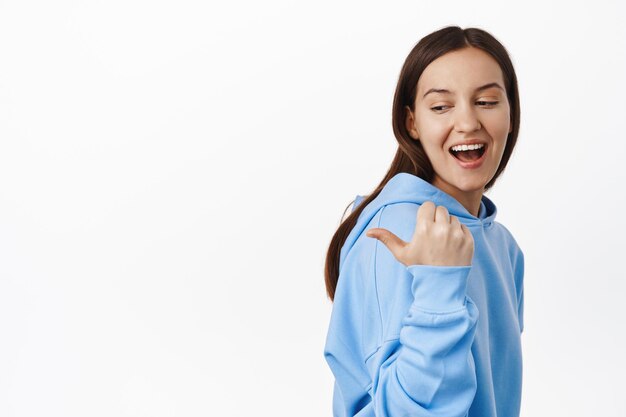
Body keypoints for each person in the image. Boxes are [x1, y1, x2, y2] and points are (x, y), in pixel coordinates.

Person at [323, 25, 525, 417]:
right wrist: (438, 286)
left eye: (486, 101)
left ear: (511, 114)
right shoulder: (399, 228)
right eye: (440, 107)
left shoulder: (504, 246)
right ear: (412, 123)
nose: (467, 123)